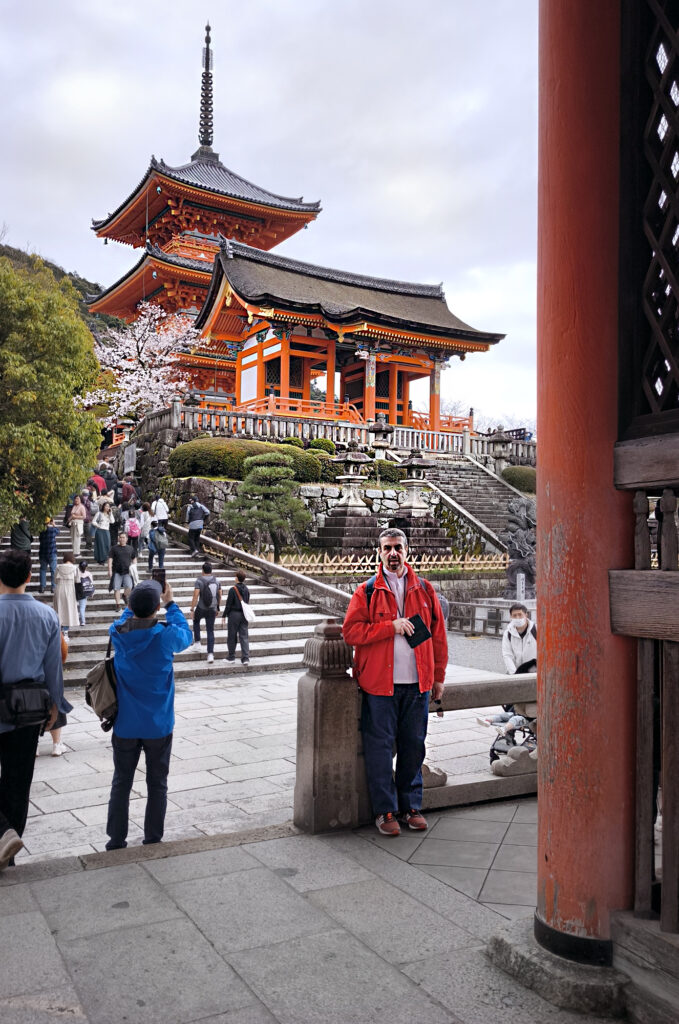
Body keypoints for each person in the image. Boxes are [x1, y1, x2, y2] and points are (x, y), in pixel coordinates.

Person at [342, 527, 448, 837]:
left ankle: (411, 806)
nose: (393, 553)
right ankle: (385, 809)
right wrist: (390, 627)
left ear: (406, 551)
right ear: (379, 552)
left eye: (398, 548)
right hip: (380, 686)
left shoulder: (425, 590)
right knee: (380, 748)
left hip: (418, 686)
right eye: (387, 548)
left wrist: (438, 678)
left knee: (414, 747)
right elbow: (351, 632)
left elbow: (438, 638)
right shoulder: (368, 591)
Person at [105, 579, 192, 850]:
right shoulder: (165, 637)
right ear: (156, 607)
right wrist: (171, 604)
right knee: (157, 783)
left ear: (130, 606)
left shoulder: (117, 632)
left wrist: (133, 605)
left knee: (121, 782)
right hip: (159, 724)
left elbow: (125, 618)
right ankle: (153, 837)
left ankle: (116, 839)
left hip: (126, 723)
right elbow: (185, 634)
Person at [0, 548, 70, 867]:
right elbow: (54, 667)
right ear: (30, 577)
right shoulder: (47, 616)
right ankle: (8, 845)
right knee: (18, 782)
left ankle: (3, 835)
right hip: (29, 709)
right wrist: (57, 707)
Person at [189, 561, 221, 664]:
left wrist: (192, 609)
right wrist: (218, 608)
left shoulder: (199, 580)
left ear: (202, 570)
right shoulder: (217, 581)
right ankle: (210, 654)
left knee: (196, 621)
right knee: (210, 630)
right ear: (211, 570)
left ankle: (197, 643)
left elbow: (195, 595)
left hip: (201, 608)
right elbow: (220, 595)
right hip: (212, 609)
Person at [222, 569, 251, 665]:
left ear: (237, 578)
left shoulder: (232, 589)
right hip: (244, 614)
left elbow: (228, 604)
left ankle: (231, 657)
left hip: (234, 614)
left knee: (232, 636)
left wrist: (224, 615)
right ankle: (245, 658)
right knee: (244, 636)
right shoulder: (247, 589)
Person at [501, 603, 537, 675]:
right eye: (514, 615)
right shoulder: (508, 633)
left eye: (520, 614)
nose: (517, 617)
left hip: (534, 672)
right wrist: (514, 674)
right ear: (511, 616)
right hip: (515, 672)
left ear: (526, 615)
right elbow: (507, 655)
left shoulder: (536, 630)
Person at [108, 532, 137, 611]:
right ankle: (118, 604)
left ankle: (124, 595)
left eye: (124, 537)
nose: (122, 539)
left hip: (127, 572)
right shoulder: (114, 548)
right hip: (117, 571)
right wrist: (109, 570)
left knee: (129, 586)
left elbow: (134, 558)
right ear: (118, 538)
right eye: (120, 537)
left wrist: (134, 566)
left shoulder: (130, 548)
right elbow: (110, 559)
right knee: (116, 588)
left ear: (127, 539)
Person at [38, 517, 60, 593]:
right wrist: (54, 524)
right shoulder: (53, 530)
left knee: (43, 570)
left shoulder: (41, 530)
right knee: (53, 570)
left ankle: (42, 587)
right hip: (52, 553)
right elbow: (58, 531)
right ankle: (53, 587)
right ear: (49, 522)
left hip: (43, 553)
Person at [76, 560, 95, 627]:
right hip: (84, 592)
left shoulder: (76, 574)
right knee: (82, 607)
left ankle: (74, 620)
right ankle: (83, 621)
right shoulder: (89, 573)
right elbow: (91, 583)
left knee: (74, 606)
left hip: (76, 591)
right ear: (86, 567)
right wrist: (92, 592)